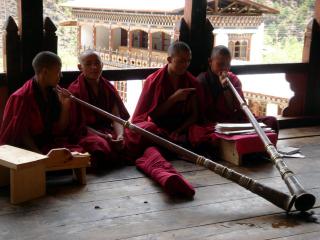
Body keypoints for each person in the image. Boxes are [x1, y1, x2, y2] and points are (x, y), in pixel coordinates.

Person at [127, 41, 210, 199]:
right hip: (159, 129)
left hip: (181, 129)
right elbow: (149, 116)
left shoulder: (192, 82)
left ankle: (171, 147)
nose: (185, 65)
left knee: (203, 132)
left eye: (188, 61)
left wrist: (179, 131)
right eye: (181, 61)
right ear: (169, 60)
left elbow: (195, 115)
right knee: (146, 129)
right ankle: (172, 149)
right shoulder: (154, 80)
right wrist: (173, 98)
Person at [0, 51, 84, 153]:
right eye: (58, 71)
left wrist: (65, 106)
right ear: (45, 72)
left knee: (80, 152)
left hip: (50, 143)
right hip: (28, 149)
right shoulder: (21, 97)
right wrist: (40, 157)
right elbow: (21, 134)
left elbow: (60, 128)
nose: (61, 75)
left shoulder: (54, 92)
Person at [68, 50, 130, 168]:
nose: (94, 67)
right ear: (80, 67)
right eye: (88, 64)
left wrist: (120, 135)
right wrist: (105, 137)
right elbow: (80, 126)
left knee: (132, 138)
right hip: (88, 133)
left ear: (102, 65)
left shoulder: (107, 87)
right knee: (99, 146)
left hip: (108, 131)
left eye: (97, 63)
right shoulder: (75, 90)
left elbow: (116, 117)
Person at [197, 45, 279, 133]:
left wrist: (226, 88)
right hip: (216, 124)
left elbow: (236, 108)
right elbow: (203, 114)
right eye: (220, 64)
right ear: (210, 62)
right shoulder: (202, 81)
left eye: (227, 64)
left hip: (236, 121)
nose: (224, 68)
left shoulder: (233, 79)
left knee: (272, 121)